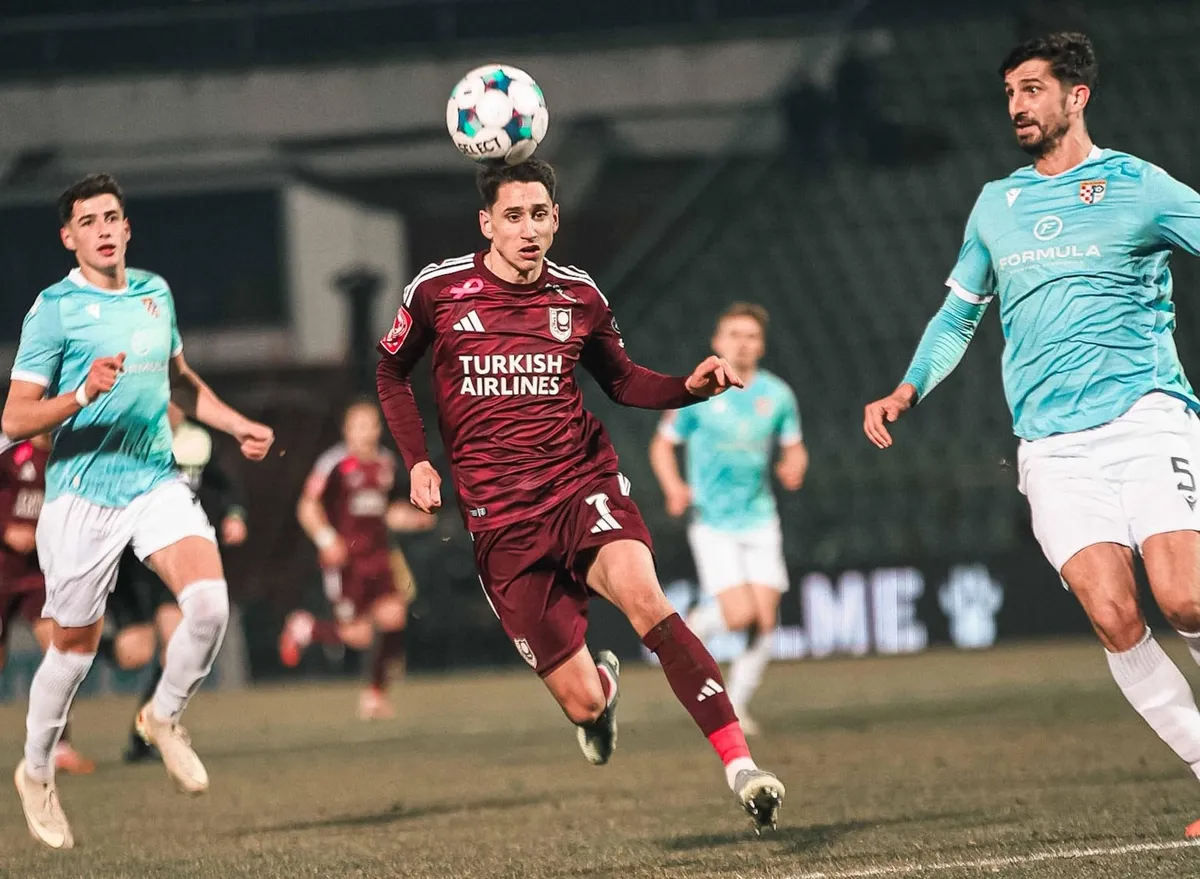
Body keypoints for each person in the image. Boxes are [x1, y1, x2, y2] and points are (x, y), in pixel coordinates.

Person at [376, 156, 786, 832]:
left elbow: (622, 381)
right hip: (501, 522)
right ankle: (603, 695)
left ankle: (741, 766)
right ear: (486, 223)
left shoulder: (579, 296)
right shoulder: (438, 291)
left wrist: (688, 387)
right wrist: (418, 461)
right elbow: (391, 371)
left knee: (648, 600)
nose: (527, 228)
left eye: (539, 214)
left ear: (556, 219)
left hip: (579, 485)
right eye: (513, 216)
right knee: (583, 704)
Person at [862, 33, 1200, 837]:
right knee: (1113, 614)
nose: (1017, 104)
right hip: (1051, 446)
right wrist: (909, 386)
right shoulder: (996, 205)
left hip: (1146, 416)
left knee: (1186, 593)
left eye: (1033, 88)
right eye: (1010, 91)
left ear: (1076, 97)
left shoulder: (1140, 186)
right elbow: (958, 316)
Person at [3, 172, 274, 849]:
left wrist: (235, 423)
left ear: (126, 228)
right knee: (72, 652)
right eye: (87, 221)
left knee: (209, 605)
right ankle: (35, 771)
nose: (102, 229)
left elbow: (180, 383)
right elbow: (13, 418)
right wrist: (80, 395)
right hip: (82, 496)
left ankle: (163, 716)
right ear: (68, 238)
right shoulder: (54, 310)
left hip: (154, 481)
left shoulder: (156, 293)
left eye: (110, 218)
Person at [650, 302, 807, 734]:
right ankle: (692, 626)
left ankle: (735, 705)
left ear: (762, 345)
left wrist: (794, 466)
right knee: (739, 616)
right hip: (713, 521)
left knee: (766, 620)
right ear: (717, 342)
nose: (743, 343)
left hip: (760, 518)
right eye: (734, 334)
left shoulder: (777, 395)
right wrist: (674, 487)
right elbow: (662, 445)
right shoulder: (699, 393)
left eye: (751, 336)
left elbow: (794, 446)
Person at [108, 404, 249, 762]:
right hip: (137, 562)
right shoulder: (130, 442)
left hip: (178, 554)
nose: (172, 407)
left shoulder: (199, 441)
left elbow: (226, 486)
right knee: (134, 652)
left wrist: (235, 515)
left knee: (174, 649)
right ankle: (87, 651)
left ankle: (149, 732)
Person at [279, 400, 433, 720]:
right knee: (358, 636)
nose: (366, 432)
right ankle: (306, 627)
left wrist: (414, 518)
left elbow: (388, 511)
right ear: (346, 430)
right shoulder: (333, 463)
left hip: (379, 557)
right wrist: (326, 539)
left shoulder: (386, 463)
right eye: (359, 425)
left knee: (394, 618)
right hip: (346, 562)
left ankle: (374, 695)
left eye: (371, 424)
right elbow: (306, 507)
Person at [0, 434, 95, 775]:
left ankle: (60, 746)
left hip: (38, 575)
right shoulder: (10, 452)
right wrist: (6, 529)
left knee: (60, 651)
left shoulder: (72, 457)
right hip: (2, 571)